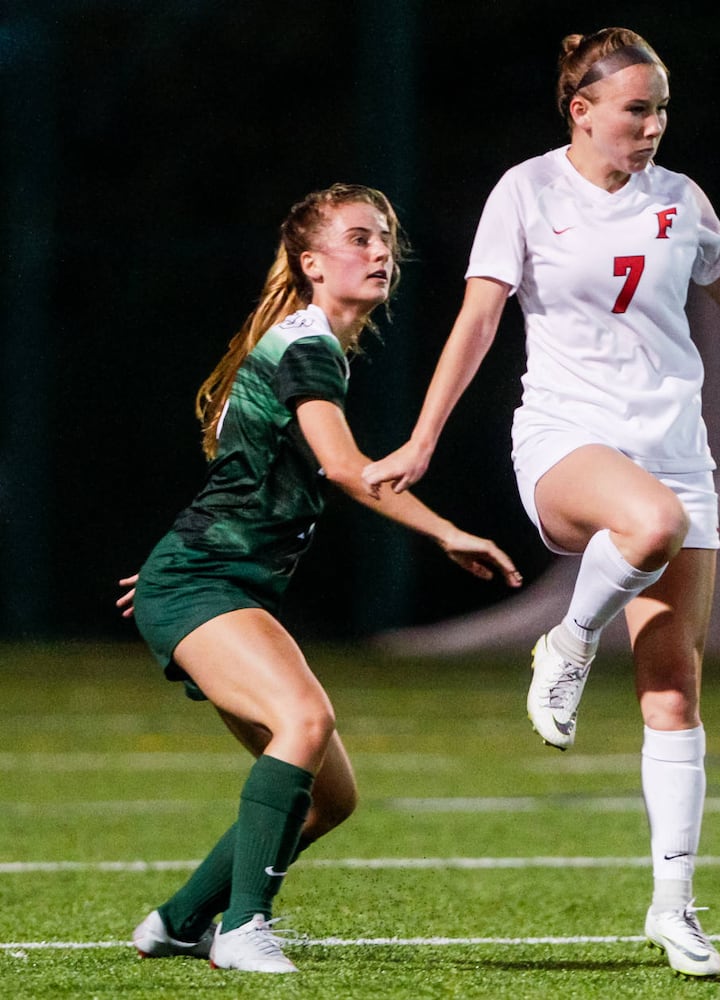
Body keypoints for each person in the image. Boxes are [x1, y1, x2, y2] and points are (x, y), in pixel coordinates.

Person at [361, 29, 720, 978]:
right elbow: (478, 318)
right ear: (580, 109)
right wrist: (424, 438)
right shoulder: (527, 190)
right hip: (565, 441)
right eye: (635, 108)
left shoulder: (681, 199)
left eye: (662, 108)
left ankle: (673, 909)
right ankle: (567, 638)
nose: (651, 126)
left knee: (673, 688)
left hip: (676, 446)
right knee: (649, 525)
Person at [118, 183, 522, 974]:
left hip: (209, 581)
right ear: (311, 263)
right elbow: (344, 468)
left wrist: (177, 568)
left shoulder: (307, 343)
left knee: (331, 797)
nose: (380, 254)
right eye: (359, 239)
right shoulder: (306, 346)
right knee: (303, 719)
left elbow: (243, 477)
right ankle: (243, 931)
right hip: (205, 583)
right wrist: (445, 530)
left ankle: (178, 921)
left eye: (385, 241)